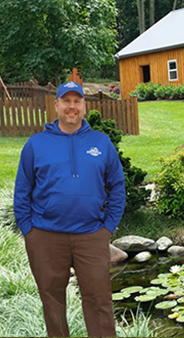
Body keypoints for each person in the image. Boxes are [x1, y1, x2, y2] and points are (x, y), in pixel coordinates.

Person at [13, 81, 126, 337]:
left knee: (99, 301)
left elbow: (118, 187)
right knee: (52, 301)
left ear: (84, 106)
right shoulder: (36, 144)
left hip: (91, 235)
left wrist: (107, 227)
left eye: (77, 101)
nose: (71, 107)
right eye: (66, 101)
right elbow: (22, 192)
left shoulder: (101, 143)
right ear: (56, 105)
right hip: (45, 236)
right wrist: (28, 231)